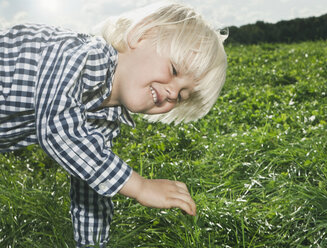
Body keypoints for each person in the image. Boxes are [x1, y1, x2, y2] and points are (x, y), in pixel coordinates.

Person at [0, 1, 227, 247]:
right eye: (173, 70)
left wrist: (93, 243)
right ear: (141, 35)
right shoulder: (86, 56)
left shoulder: (104, 117)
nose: (173, 92)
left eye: (182, 95)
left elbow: (91, 184)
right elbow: (57, 129)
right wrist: (139, 186)